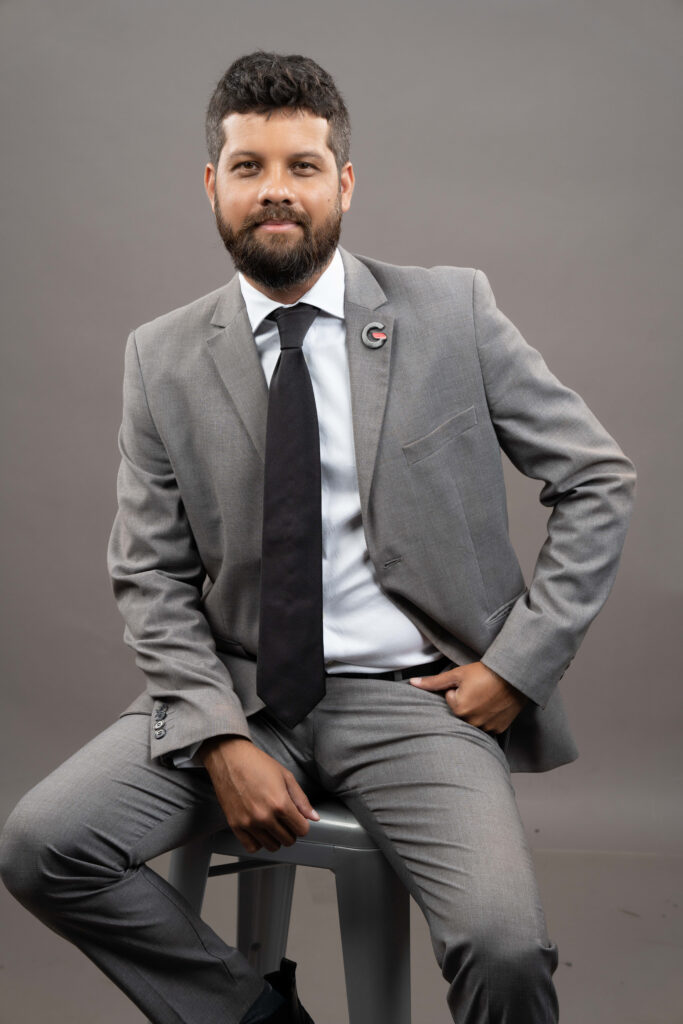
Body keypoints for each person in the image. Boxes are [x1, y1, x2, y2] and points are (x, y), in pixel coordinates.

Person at [0, 50, 636, 1024]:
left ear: (343, 182)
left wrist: (518, 664)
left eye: (301, 166)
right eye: (248, 167)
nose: (275, 190)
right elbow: (149, 572)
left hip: (417, 701)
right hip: (243, 690)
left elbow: (595, 478)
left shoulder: (451, 312)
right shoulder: (161, 357)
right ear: (210, 185)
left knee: (503, 947)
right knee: (42, 845)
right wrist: (218, 734)